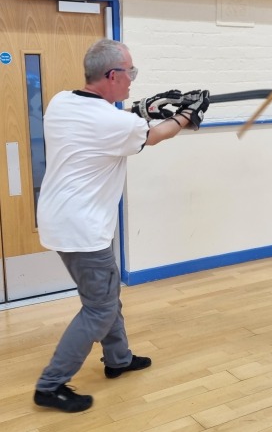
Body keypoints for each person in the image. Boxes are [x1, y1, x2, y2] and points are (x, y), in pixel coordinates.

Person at [33, 38, 210, 412]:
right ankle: (50, 385)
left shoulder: (61, 102)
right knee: (99, 307)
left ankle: (119, 359)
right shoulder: (114, 122)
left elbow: (118, 122)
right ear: (112, 75)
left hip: (61, 218)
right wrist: (186, 115)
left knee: (105, 294)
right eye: (130, 72)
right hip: (82, 228)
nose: (132, 78)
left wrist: (144, 108)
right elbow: (154, 135)